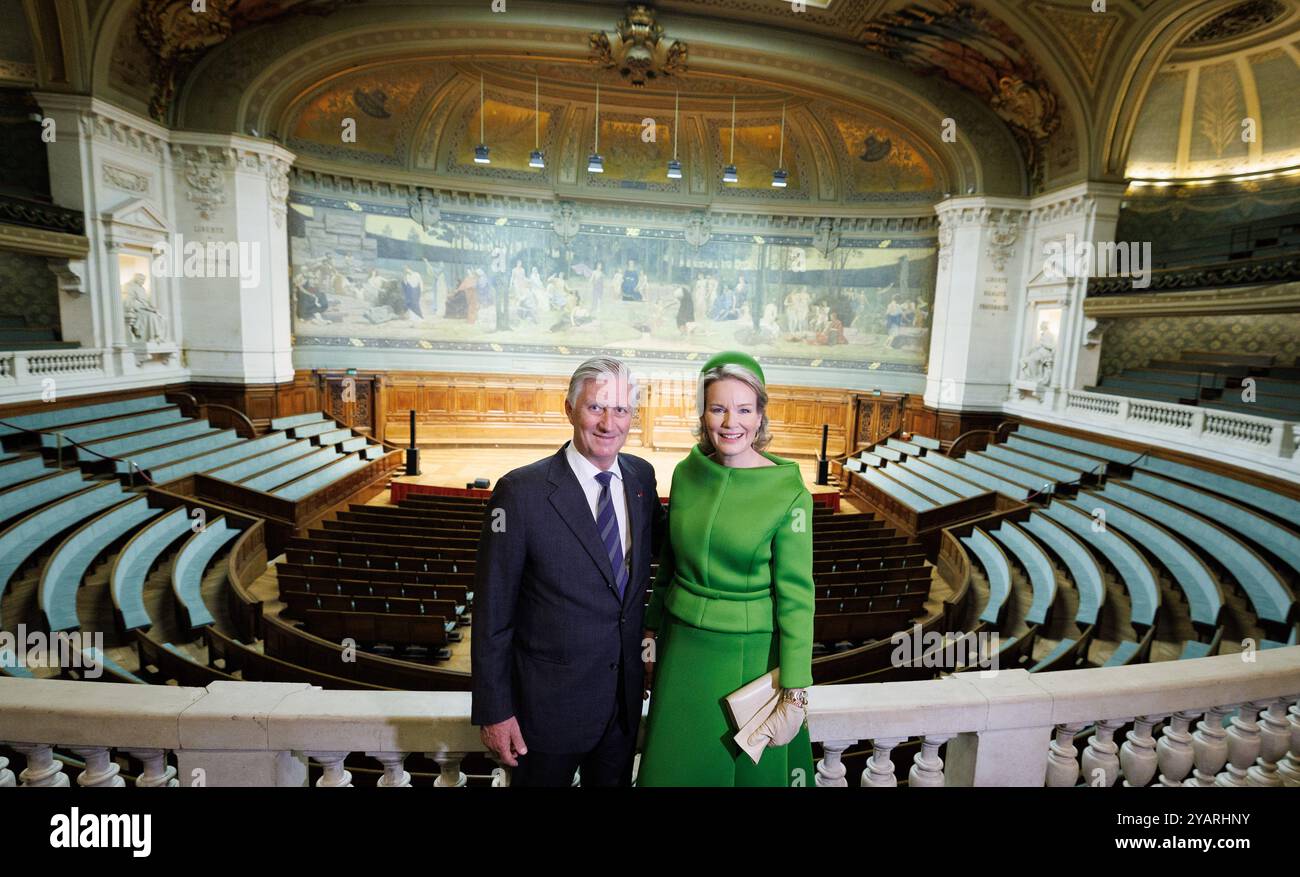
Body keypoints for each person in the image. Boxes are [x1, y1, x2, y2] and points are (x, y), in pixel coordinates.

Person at [471, 357, 667, 787]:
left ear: (633, 416)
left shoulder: (641, 478)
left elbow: (669, 558)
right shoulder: (520, 492)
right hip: (542, 718)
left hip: (621, 711)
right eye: (596, 407)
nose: (608, 423)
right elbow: (492, 612)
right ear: (569, 409)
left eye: (620, 410)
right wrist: (494, 711)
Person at [639, 351, 815, 787]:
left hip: (749, 659)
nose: (730, 422)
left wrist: (795, 692)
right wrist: (649, 631)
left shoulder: (790, 495)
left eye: (743, 409)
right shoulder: (685, 473)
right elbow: (670, 565)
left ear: (760, 417)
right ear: (703, 413)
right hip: (680, 650)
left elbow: (797, 600)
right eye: (718, 408)